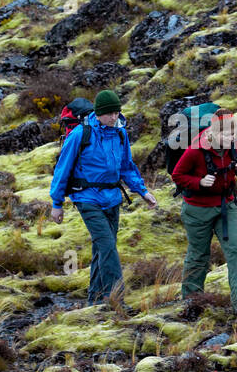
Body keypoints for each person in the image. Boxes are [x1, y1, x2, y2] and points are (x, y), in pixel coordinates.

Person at [50, 89, 157, 306]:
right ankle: (117, 299)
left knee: (101, 248)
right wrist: (57, 203)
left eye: (117, 112)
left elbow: (127, 166)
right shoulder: (81, 134)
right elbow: (62, 168)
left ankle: (95, 300)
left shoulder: (120, 133)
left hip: (112, 198)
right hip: (86, 198)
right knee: (108, 246)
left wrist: (143, 191)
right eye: (110, 114)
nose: (114, 117)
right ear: (99, 113)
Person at [171, 108, 237, 319]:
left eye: (233, 134)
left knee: (236, 251)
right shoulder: (195, 150)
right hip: (197, 210)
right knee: (199, 256)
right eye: (226, 134)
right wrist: (198, 182)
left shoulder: (234, 146)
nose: (231, 138)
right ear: (214, 133)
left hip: (227, 206)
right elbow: (177, 175)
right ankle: (191, 303)